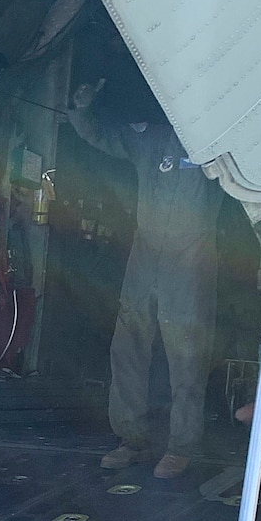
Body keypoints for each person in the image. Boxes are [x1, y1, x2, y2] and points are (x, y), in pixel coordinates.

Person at [68, 78, 225, 480]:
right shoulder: (148, 138)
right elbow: (102, 135)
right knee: (128, 345)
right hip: (146, 254)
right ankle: (130, 440)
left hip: (190, 259)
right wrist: (81, 109)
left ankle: (182, 447)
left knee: (186, 351)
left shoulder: (218, 144)